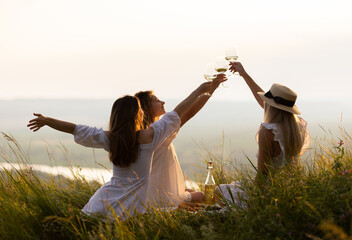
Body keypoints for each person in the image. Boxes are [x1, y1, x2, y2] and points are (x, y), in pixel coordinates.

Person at [27, 75, 227, 219]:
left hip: (102, 202)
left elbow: (76, 129)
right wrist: (200, 90)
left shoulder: (111, 138)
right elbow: (178, 113)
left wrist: (47, 120)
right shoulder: (149, 136)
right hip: (133, 207)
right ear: (138, 115)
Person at [216, 62, 310, 206]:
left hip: (270, 192)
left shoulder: (268, 131)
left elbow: (262, 176)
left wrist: (255, 203)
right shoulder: (297, 126)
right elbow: (266, 104)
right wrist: (244, 74)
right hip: (291, 186)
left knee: (219, 191)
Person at [134, 87, 219, 206]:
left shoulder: (143, 132)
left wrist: (211, 90)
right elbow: (189, 113)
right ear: (147, 107)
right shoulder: (158, 133)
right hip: (162, 196)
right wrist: (209, 90)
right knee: (207, 196)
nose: (162, 102)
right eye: (157, 101)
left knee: (190, 190)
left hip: (152, 191)